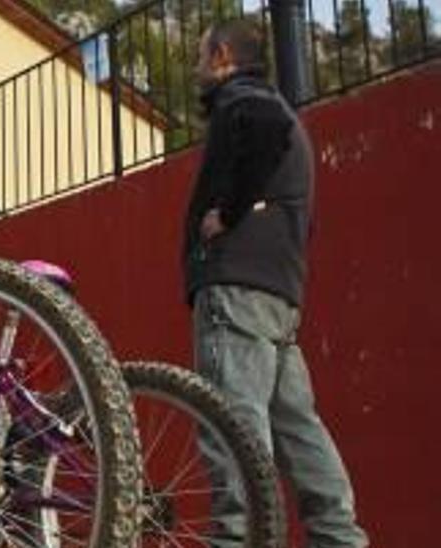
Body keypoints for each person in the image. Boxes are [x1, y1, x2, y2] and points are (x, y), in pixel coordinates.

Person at [184, 19, 368, 547]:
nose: (198, 68)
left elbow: (262, 129)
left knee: (232, 429)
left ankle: (244, 541)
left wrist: (229, 211)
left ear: (221, 55)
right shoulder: (280, 107)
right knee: (298, 430)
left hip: (237, 289)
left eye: (201, 56)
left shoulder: (245, 98)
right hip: (277, 296)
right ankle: (340, 539)